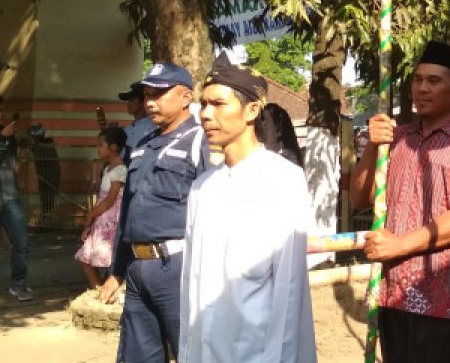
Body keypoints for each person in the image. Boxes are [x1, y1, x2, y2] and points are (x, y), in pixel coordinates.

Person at [351, 41, 450, 363]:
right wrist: (372, 149)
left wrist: (399, 245)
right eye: (418, 80)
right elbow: (361, 198)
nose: (422, 89)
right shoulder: (397, 139)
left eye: (434, 81)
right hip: (392, 294)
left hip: (441, 302)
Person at [179, 54, 315, 363]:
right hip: (204, 349)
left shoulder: (282, 180)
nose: (206, 115)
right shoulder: (203, 188)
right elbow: (190, 282)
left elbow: (289, 289)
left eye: (219, 104)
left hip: (254, 350)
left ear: (251, 110)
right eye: (204, 104)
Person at [101, 62, 210, 363]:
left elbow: (214, 212)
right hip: (138, 269)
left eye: (159, 94)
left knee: (192, 353)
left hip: (177, 267)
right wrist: (117, 272)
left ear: (186, 97)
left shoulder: (200, 142)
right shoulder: (142, 144)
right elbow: (128, 212)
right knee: (137, 356)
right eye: (147, 94)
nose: (150, 102)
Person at [76, 126, 128, 289]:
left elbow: (111, 200)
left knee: (106, 259)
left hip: (110, 219)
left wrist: (92, 213)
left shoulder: (120, 170)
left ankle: (106, 291)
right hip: (101, 217)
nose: (97, 148)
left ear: (113, 148)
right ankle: (98, 290)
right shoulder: (107, 168)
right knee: (87, 257)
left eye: (100, 145)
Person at [0, 93, 31, 302]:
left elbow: (11, 161)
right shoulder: (2, 136)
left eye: (1, 111)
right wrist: (2, 138)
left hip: (11, 198)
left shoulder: (7, 135)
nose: (0, 115)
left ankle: (19, 285)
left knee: (21, 243)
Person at [255, 102, 304, 167]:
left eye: (266, 125)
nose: (260, 128)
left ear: (278, 130)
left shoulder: (288, 159)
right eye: (260, 123)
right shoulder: (257, 155)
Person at [119, 82, 158, 151]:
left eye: (132, 100)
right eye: (128, 101)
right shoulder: (128, 129)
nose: (128, 104)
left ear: (143, 102)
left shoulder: (153, 127)